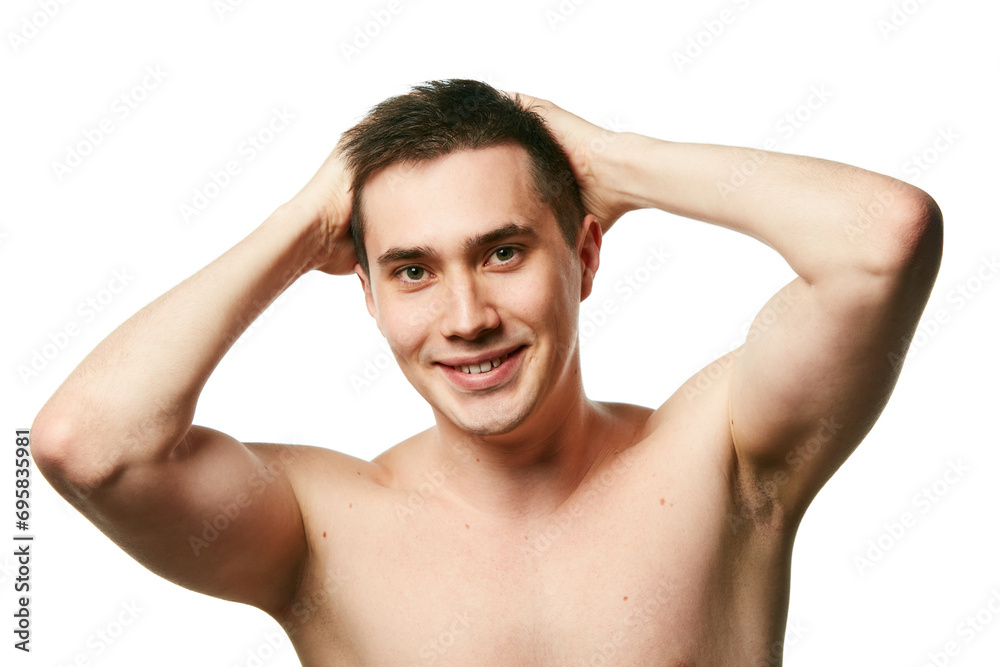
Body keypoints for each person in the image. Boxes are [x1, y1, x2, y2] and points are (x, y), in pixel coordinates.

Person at [31, 79, 943, 665]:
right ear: (370, 295)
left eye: (503, 252)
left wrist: (613, 161)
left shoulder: (723, 459)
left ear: (583, 256)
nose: (466, 319)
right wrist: (306, 219)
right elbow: (88, 445)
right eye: (413, 269)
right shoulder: (316, 531)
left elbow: (883, 240)